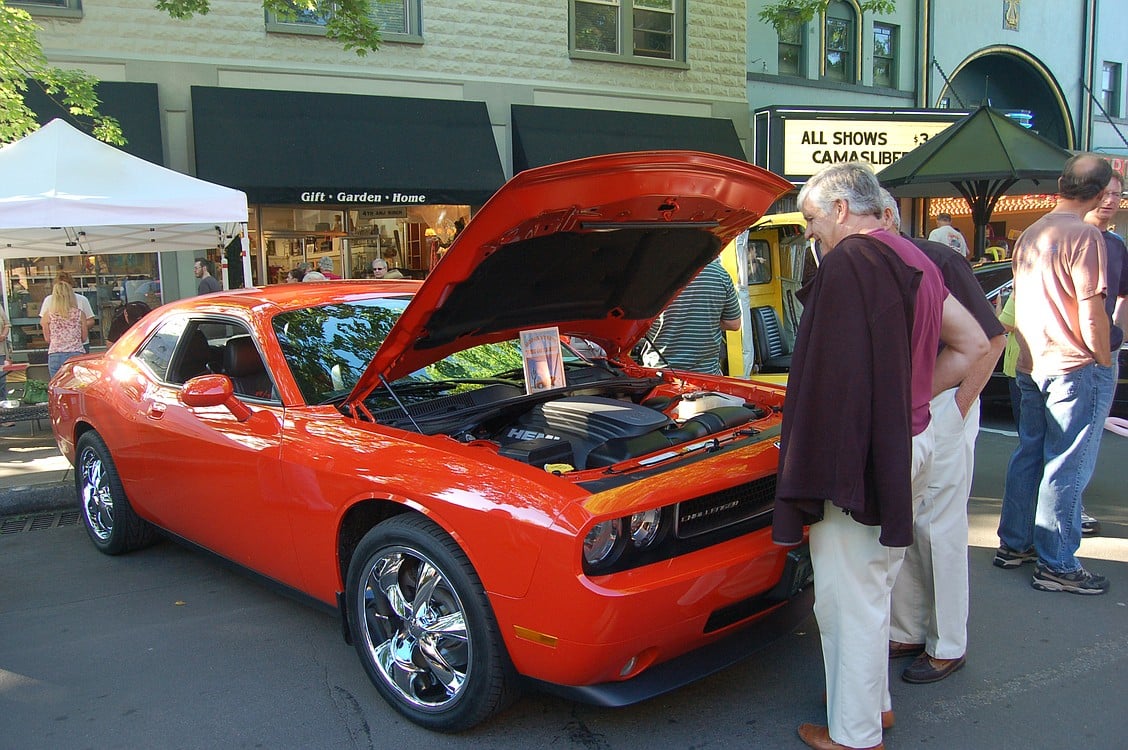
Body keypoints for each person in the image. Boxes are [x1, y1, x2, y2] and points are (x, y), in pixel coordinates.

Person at [774, 162, 986, 750]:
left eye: (813, 220)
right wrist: (910, 397)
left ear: (841, 209)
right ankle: (875, 710)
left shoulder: (853, 260)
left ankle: (855, 734)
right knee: (875, 584)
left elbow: (831, 381)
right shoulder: (917, 257)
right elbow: (971, 344)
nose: (810, 234)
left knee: (850, 597)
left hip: (870, 453)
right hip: (914, 440)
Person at [880, 191, 1007, 685]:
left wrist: (959, 404)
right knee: (907, 520)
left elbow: (992, 338)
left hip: (941, 401)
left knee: (940, 527)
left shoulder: (938, 259)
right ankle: (910, 629)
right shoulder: (869, 262)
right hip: (910, 405)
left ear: (887, 215)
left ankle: (948, 642)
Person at [995, 154, 1113, 595]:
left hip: (1029, 360)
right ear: (1101, 195)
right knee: (1065, 462)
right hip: (1068, 362)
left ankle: (1015, 543)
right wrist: (1102, 359)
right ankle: (1057, 562)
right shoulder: (1085, 235)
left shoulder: (1031, 232)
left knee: (1029, 453)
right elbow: (1092, 310)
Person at [1077, 169, 1128, 536]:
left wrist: (1117, 333)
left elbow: (1122, 293)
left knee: (1089, 436)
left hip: (1104, 350)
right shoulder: (1070, 235)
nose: (1111, 200)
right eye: (1106, 193)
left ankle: (1070, 506)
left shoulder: (1116, 244)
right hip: (1070, 352)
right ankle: (1060, 516)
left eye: (1118, 195)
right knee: (1067, 440)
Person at [636, 259, 740, 375]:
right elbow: (734, 323)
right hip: (707, 376)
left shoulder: (650, 274)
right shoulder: (720, 273)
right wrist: (704, 321)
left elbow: (634, 324)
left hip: (659, 375)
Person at [41, 278, 92, 379]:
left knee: (57, 387)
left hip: (55, 353)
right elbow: (84, 337)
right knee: (76, 385)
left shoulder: (48, 315)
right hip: (76, 353)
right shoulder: (79, 314)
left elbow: (47, 339)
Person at [41, 271, 96, 352]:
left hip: (78, 345)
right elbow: (44, 323)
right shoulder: (49, 300)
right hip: (59, 347)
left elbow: (90, 320)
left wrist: (76, 327)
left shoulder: (82, 299)